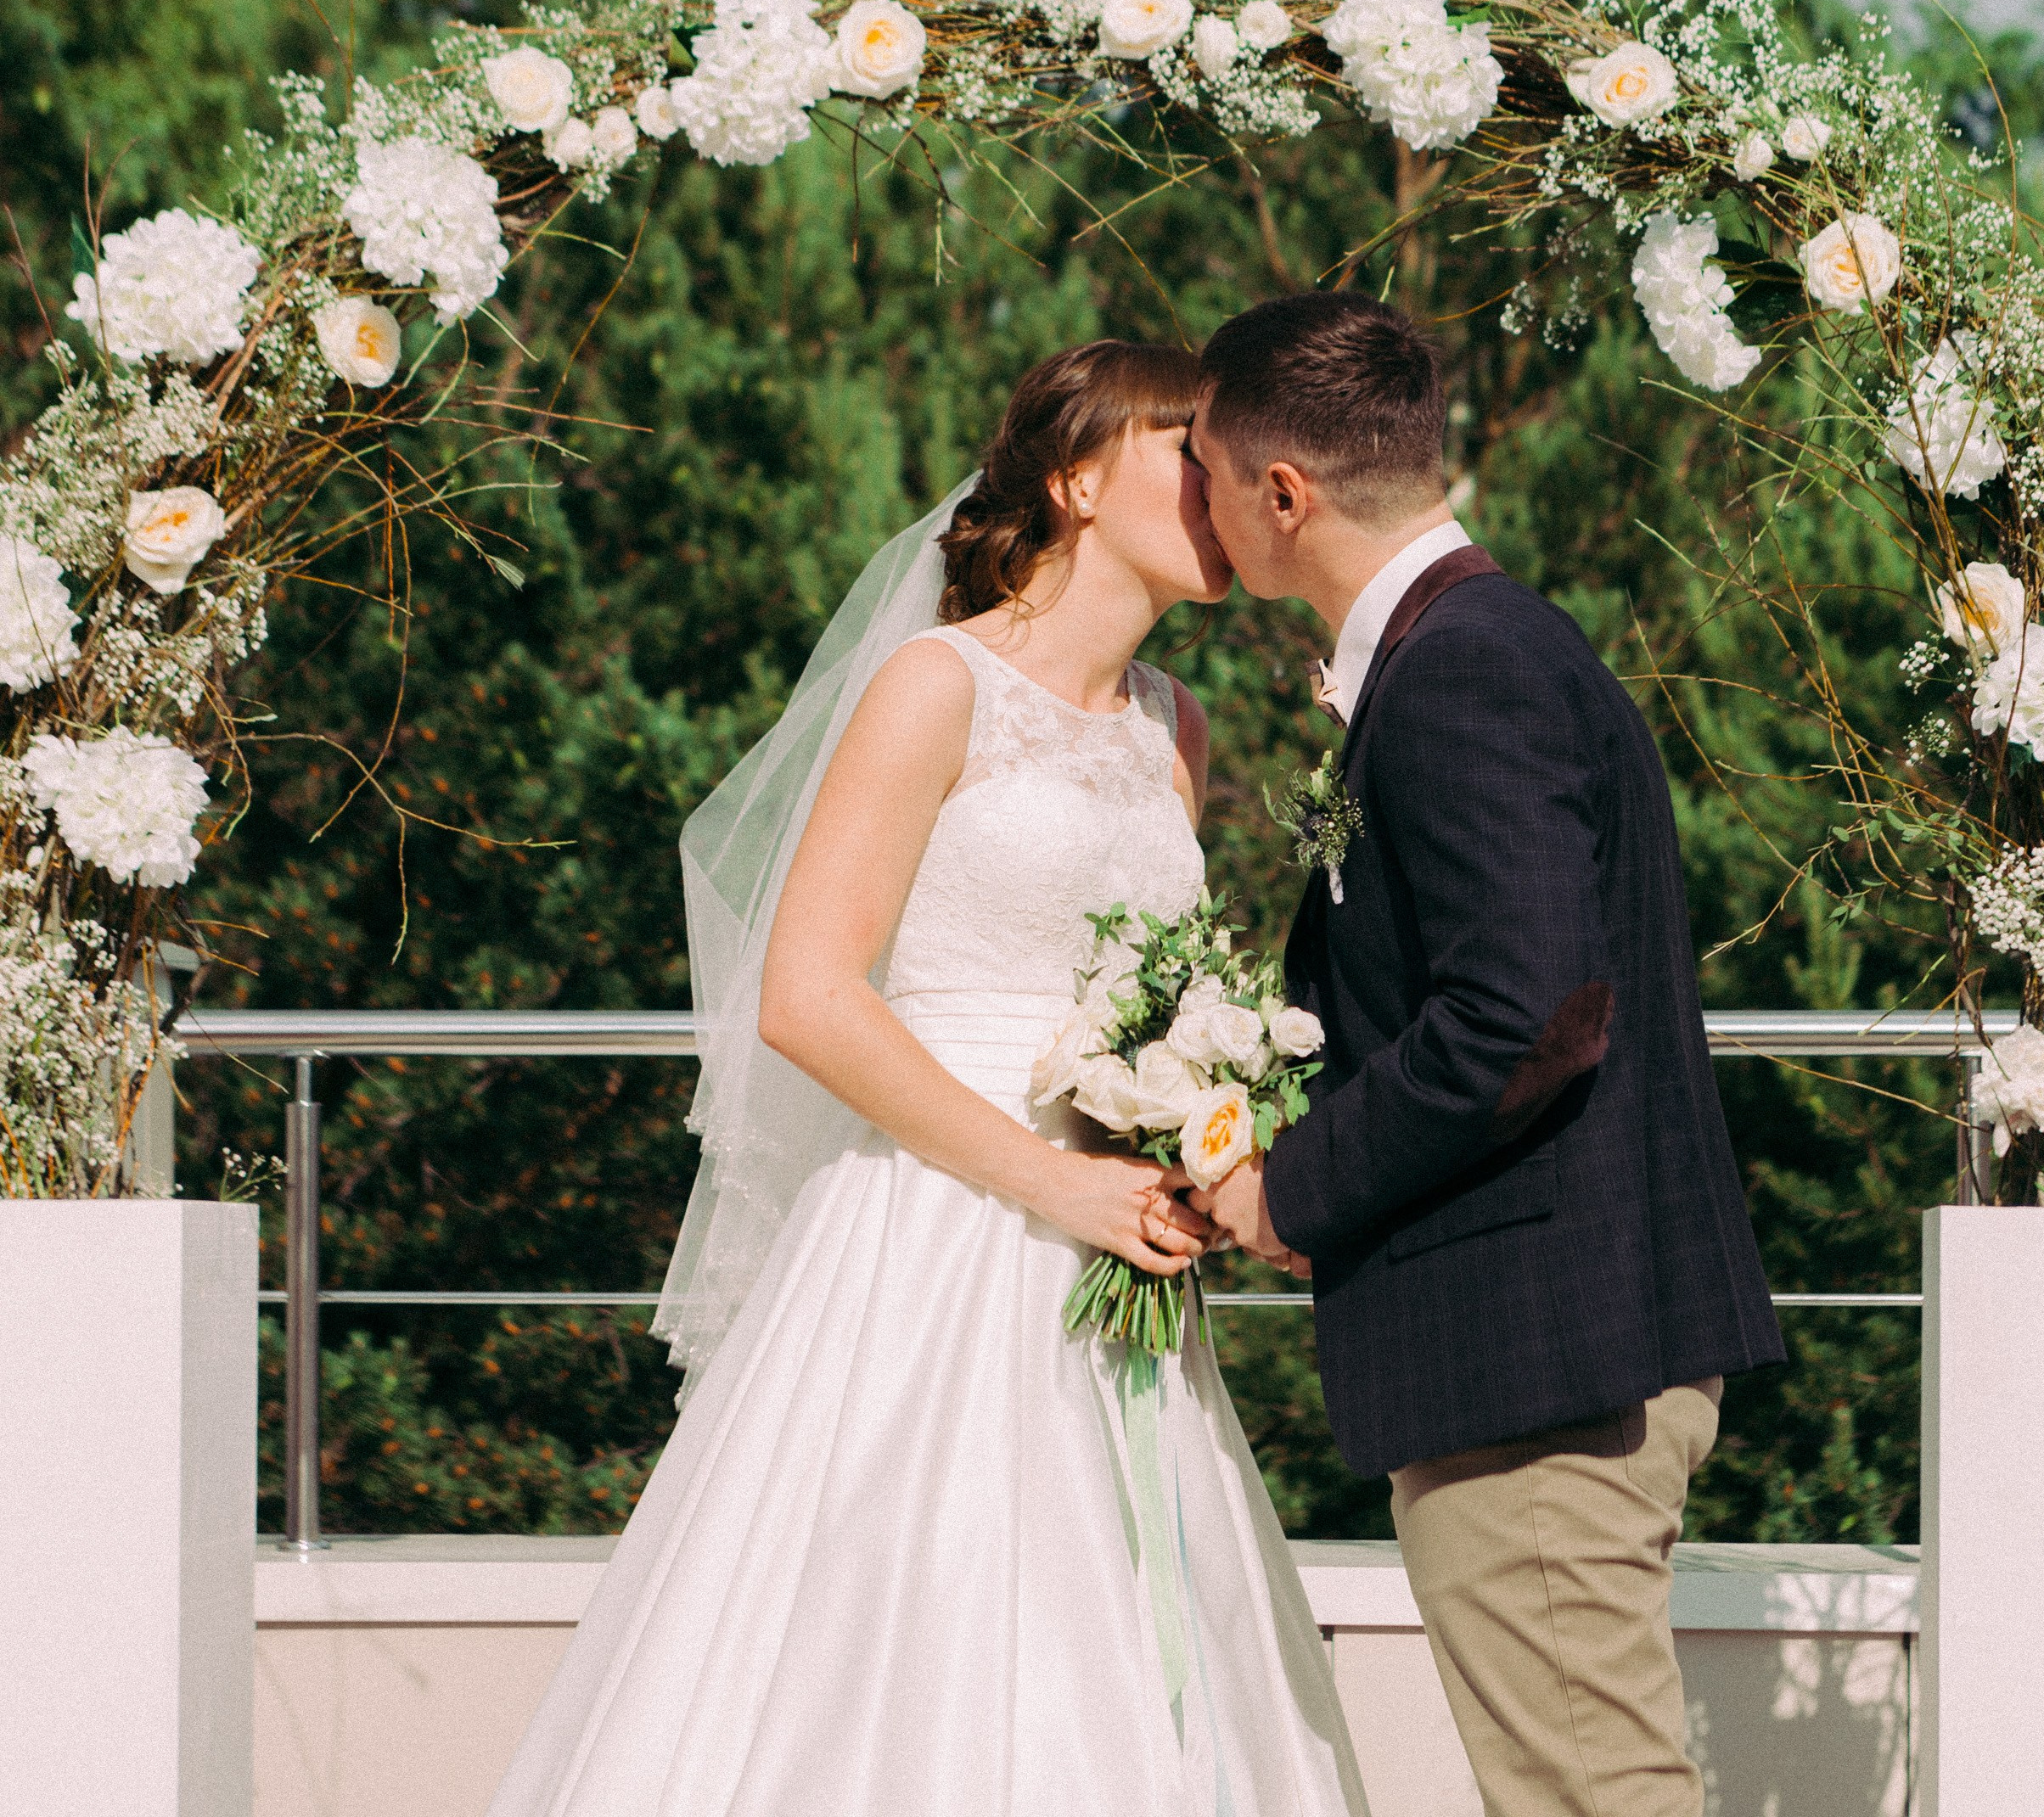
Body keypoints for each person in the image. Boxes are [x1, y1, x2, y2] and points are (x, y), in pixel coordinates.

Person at [487, 340, 1367, 1817]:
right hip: (933, 1225)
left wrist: (1197, 1129)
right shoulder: (933, 685)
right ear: (1079, 478)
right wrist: (1051, 1181)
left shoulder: (1175, 730)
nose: (1222, 490)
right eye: (1187, 450)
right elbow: (810, 997)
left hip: (1118, 1246)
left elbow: (1150, 997)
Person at [1186, 294, 1786, 1817]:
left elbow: (1525, 1012)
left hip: (1539, 1364)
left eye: (1202, 469)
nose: (1195, 503)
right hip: (1560, 1341)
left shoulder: (1459, 670)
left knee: (1594, 1797)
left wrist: (1294, 1191)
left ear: (1281, 494)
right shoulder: (1481, 641)